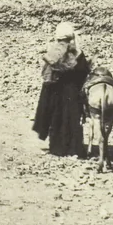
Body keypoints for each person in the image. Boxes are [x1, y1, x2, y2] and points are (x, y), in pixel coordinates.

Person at [31, 22, 91, 156]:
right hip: (73, 91)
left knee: (56, 118)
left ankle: (57, 149)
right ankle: (74, 148)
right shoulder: (77, 51)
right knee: (73, 118)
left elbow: (46, 74)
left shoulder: (53, 51)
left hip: (55, 92)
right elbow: (84, 71)